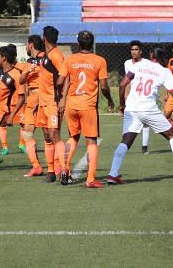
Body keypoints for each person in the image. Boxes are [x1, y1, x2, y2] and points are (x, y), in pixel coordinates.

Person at [106, 46, 173, 183]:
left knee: (126, 141)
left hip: (132, 109)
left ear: (151, 55)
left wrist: (122, 105)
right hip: (148, 109)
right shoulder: (164, 71)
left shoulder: (139, 64)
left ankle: (112, 174)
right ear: (163, 57)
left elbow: (122, 85)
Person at [57, 30, 115, 188]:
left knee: (73, 137)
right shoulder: (99, 60)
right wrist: (110, 100)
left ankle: (64, 168)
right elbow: (103, 86)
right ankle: (90, 179)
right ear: (92, 43)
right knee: (91, 142)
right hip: (88, 106)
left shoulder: (70, 60)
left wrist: (60, 97)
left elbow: (60, 81)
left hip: (71, 104)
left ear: (78, 43)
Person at [35, 25, 68, 182]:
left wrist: (62, 99)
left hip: (53, 102)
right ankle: (50, 171)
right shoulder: (45, 55)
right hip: (43, 102)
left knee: (54, 134)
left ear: (44, 38)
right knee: (47, 135)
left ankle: (63, 169)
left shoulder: (57, 55)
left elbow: (66, 77)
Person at [17, 34, 46, 177]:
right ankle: (36, 166)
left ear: (31, 45)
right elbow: (21, 80)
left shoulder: (45, 59)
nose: (25, 47)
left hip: (44, 98)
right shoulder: (29, 61)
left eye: (26, 44)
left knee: (50, 135)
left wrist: (41, 98)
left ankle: (58, 167)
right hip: (32, 99)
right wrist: (28, 71)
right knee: (26, 133)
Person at [120, 41, 151, 154]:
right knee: (128, 121)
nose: (134, 52)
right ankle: (124, 144)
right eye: (132, 50)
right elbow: (127, 82)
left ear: (141, 51)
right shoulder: (127, 63)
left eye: (136, 49)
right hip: (132, 98)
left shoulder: (147, 63)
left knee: (146, 122)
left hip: (144, 97)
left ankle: (144, 147)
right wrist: (125, 97)